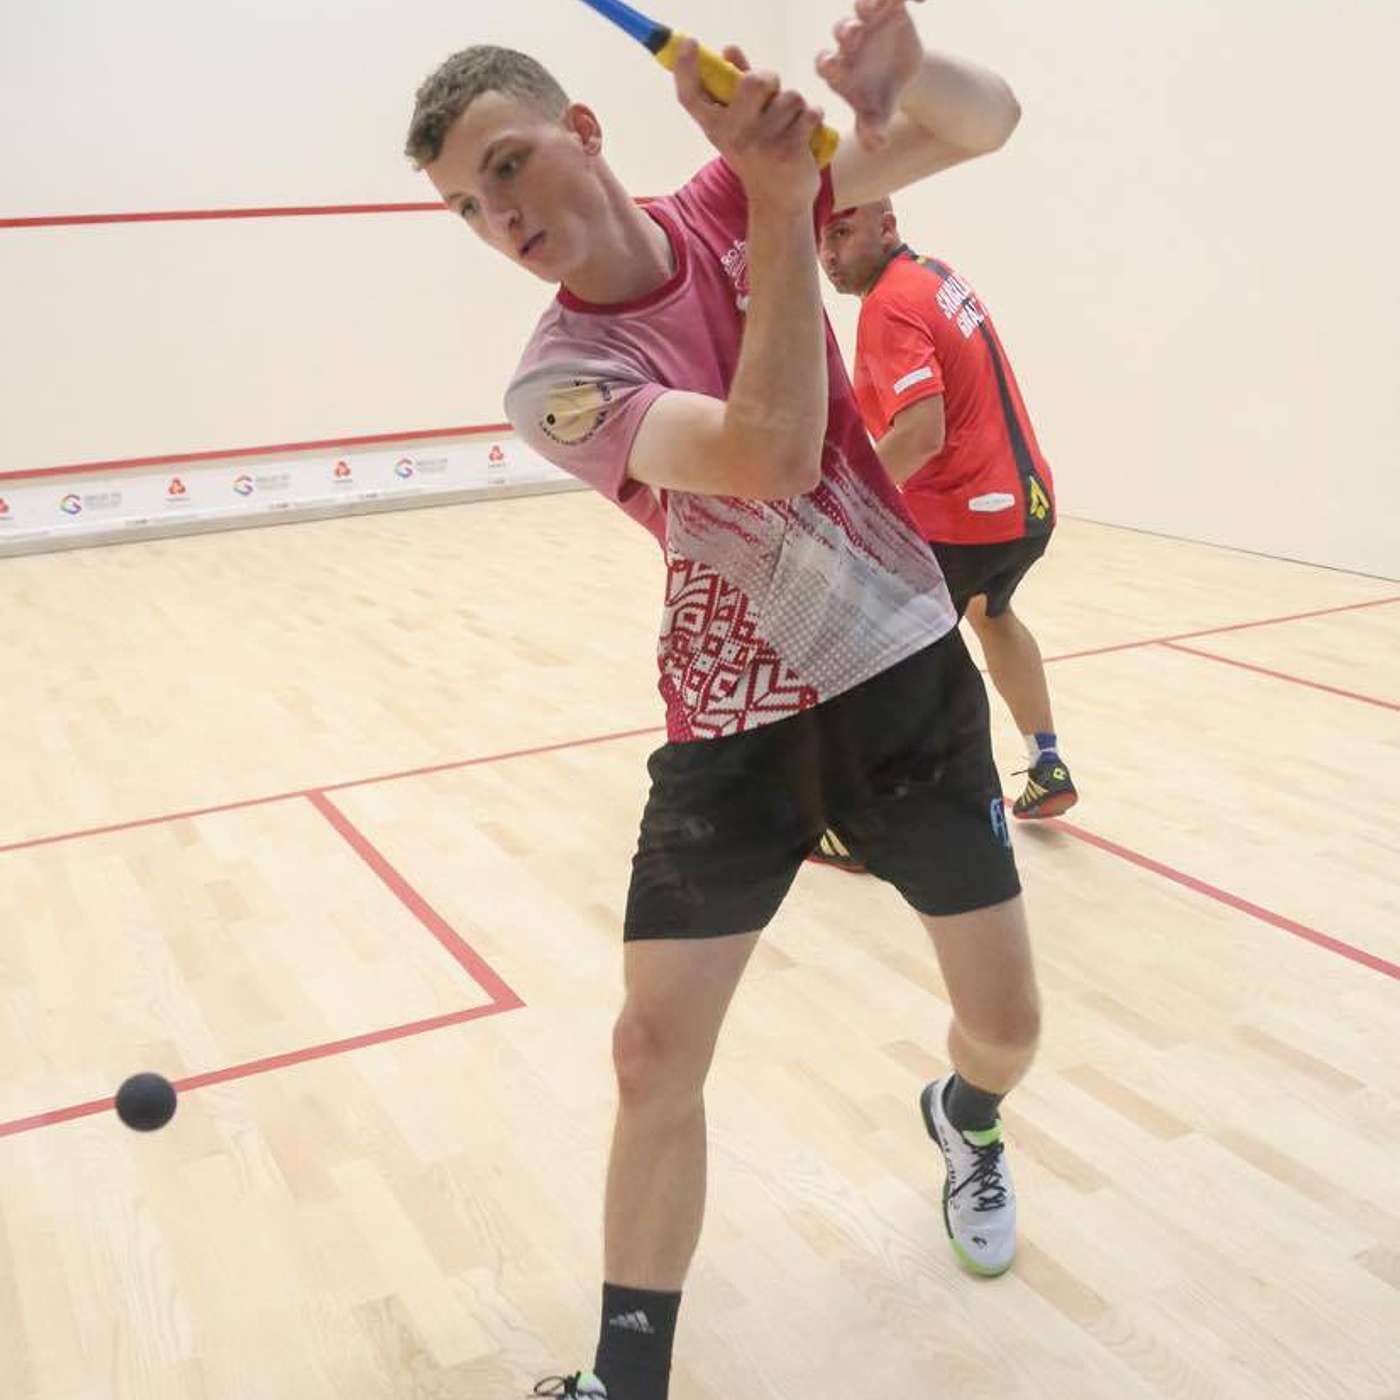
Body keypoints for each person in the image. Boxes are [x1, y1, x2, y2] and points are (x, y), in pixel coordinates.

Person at [404, 4, 1040, 1394]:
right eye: (466, 207)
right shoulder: (559, 381)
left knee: (1008, 1030)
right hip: (731, 722)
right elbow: (768, 456)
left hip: (903, 684)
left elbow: (983, 124)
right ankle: (624, 1377)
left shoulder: (724, 200)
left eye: (507, 166)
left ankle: (966, 1114)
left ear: (584, 131)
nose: (499, 217)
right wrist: (777, 194)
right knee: (651, 1053)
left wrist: (908, 78)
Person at [819, 199, 1078, 829]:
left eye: (843, 233)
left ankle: (877, 822)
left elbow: (920, 432)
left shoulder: (888, 305)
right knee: (992, 613)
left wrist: (846, 506)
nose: (828, 254)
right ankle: (1047, 763)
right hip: (1026, 508)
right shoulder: (935, 275)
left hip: (963, 519)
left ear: (888, 226)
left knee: (882, 651)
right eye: (821, 239)